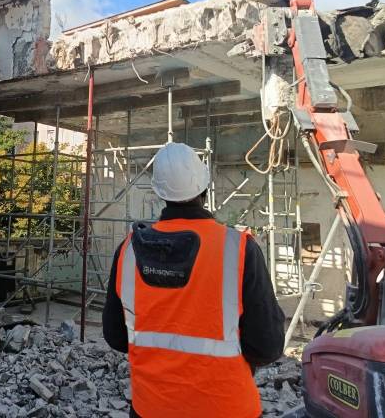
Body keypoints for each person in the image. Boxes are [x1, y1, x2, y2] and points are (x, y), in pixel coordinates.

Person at [102, 142, 285, 418]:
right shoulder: (238, 249)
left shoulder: (128, 251)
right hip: (227, 409)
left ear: (158, 192)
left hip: (152, 408)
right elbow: (267, 346)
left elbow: (116, 337)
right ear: (204, 188)